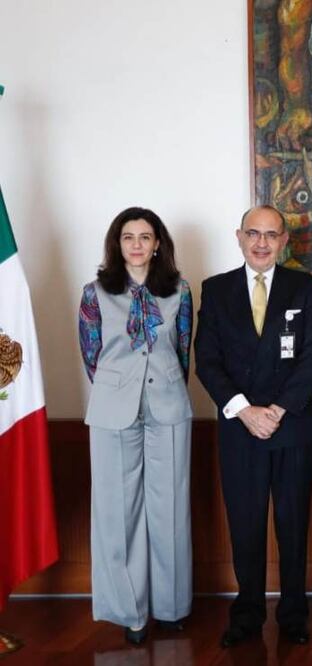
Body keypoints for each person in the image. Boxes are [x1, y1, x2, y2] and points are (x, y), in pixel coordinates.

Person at [194, 205, 312, 647]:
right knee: (246, 525)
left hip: (292, 428)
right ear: (239, 236)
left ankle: (293, 614)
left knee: (292, 525)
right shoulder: (215, 290)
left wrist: (277, 411)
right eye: (254, 233)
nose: (262, 242)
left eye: (272, 234)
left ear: (285, 240)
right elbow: (207, 360)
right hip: (239, 429)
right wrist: (245, 410)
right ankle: (247, 612)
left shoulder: (304, 288)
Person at [78, 207, 194, 645]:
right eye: (129, 237)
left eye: (146, 237)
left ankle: (170, 606)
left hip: (167, 404)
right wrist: (122, 389)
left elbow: (183, 351)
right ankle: (132, 612)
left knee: (169, 511)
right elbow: (92, 356)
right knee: (117, 511)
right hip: (112, 409)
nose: (138, 245)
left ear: (158, 243)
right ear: (117, 244)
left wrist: (157, 388)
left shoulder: (179, 291)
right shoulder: (95, 293)